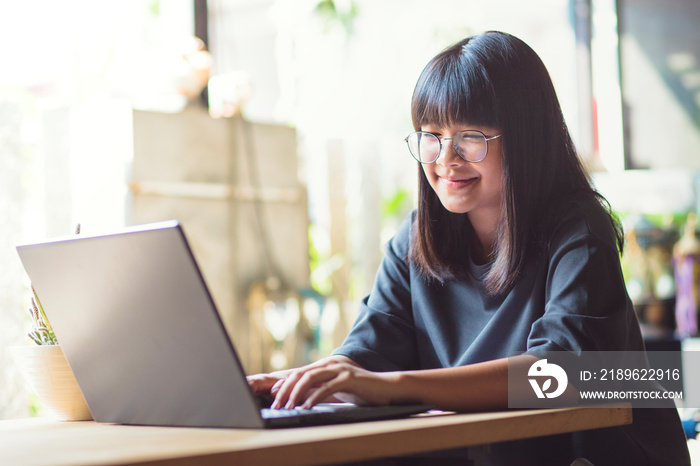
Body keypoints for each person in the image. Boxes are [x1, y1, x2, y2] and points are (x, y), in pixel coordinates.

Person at [248, 31, 690, 465]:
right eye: (430, 134)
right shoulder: (417, 238)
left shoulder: (578, 230)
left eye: (471, 136)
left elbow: (561, 374)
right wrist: (295, 382)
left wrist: (397, 385)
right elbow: (369, 350)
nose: (445, 158)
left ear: (525, 136)